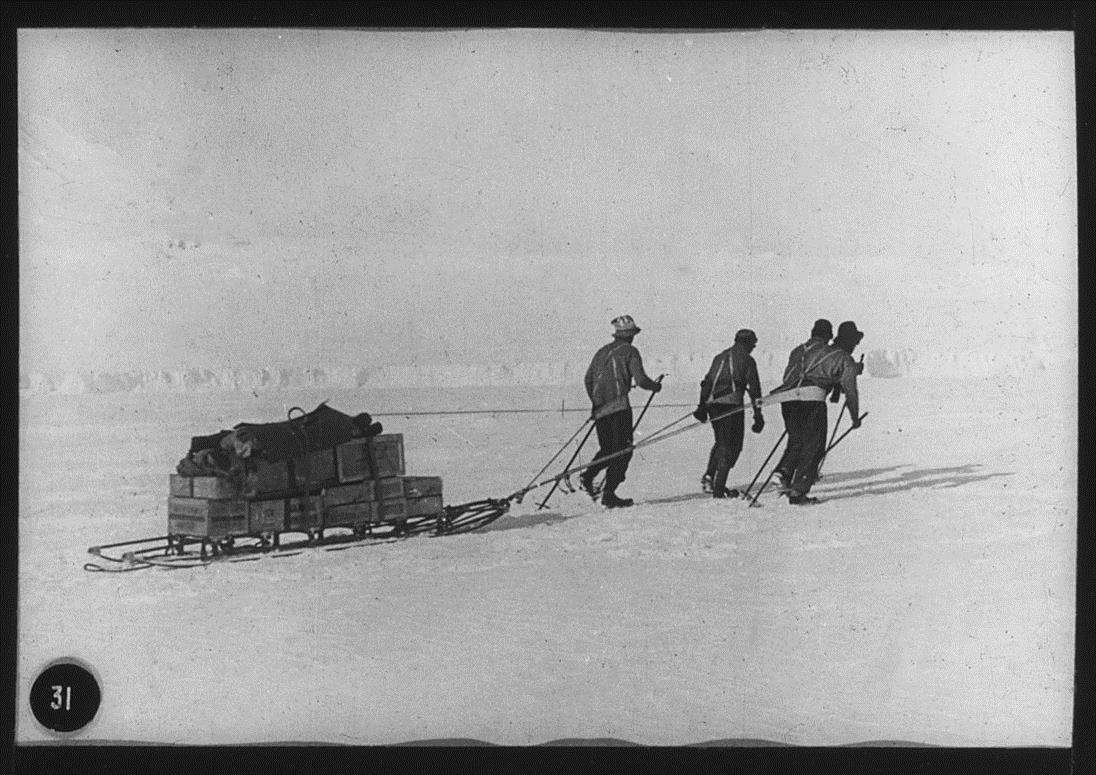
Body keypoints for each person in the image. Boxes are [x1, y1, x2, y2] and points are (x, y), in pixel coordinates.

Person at [771, 319, 861, 505]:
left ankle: (783, 472)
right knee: (814, 446)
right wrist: (854, 417)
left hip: (788, 399)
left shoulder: (798, 350)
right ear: (830, 336)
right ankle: (798, 491)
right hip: (812, 401)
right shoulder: (840, 356)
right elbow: (850, 391)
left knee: (796, 440)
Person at [579, 314, 663, 508]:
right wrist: (655, 387)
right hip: (619, 408)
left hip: (600, 409)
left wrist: (597, 401)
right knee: (623, 450)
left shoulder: (601, 352)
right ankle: (609, 493)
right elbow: (641, 380)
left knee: (608, 449)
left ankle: (588, 475)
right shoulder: (630, 351)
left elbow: (588, 379)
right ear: (630, 335)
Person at [693, 328, 765, 498]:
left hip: (712, 406)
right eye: (753, 344)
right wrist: (758, 415)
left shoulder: (719, 357)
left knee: (721, 442)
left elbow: (707, 383)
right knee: (732, 447)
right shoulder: (747, 360)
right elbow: (754, 389)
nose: (753, 347)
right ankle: (718, 490)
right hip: (731, 407)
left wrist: (702, 406)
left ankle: (710, 476)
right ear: (748, 343)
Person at [827, 321, 865, 403]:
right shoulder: (841, 355)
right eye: (854, 341)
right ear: (848, 340)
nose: (856, 344)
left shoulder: (831, 351)